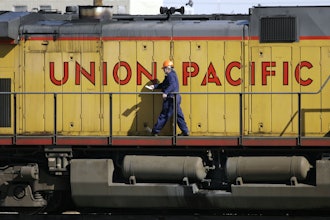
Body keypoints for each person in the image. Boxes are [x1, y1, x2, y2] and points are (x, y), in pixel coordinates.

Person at [145, 60, 189, 136]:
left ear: (168, 68)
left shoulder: (170, 75)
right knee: (178, 115)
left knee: (164, 114)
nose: (164, 70)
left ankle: (155, 131)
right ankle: (185, 131)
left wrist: (166, 92)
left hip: (171, 98)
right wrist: (154, 86)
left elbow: (172, 85)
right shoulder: (171, 75)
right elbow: (163, 85)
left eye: (164, 68)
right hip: (176, 98)